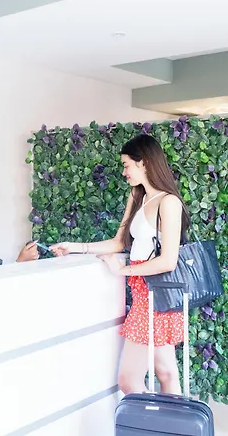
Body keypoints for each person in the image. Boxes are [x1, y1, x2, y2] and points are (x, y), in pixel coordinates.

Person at [51, 134, 190, 395]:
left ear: (144, 162)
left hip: (156, 293)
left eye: (127, 165)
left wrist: (122, 270)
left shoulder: (169, 202)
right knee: (166, 372)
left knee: (130, 380)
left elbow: (168, 261)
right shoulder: (137, 196)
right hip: (144, 293)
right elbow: (119, 242)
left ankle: (154, 419)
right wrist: (74, 247)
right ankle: (169, 419)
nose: (124, 172)